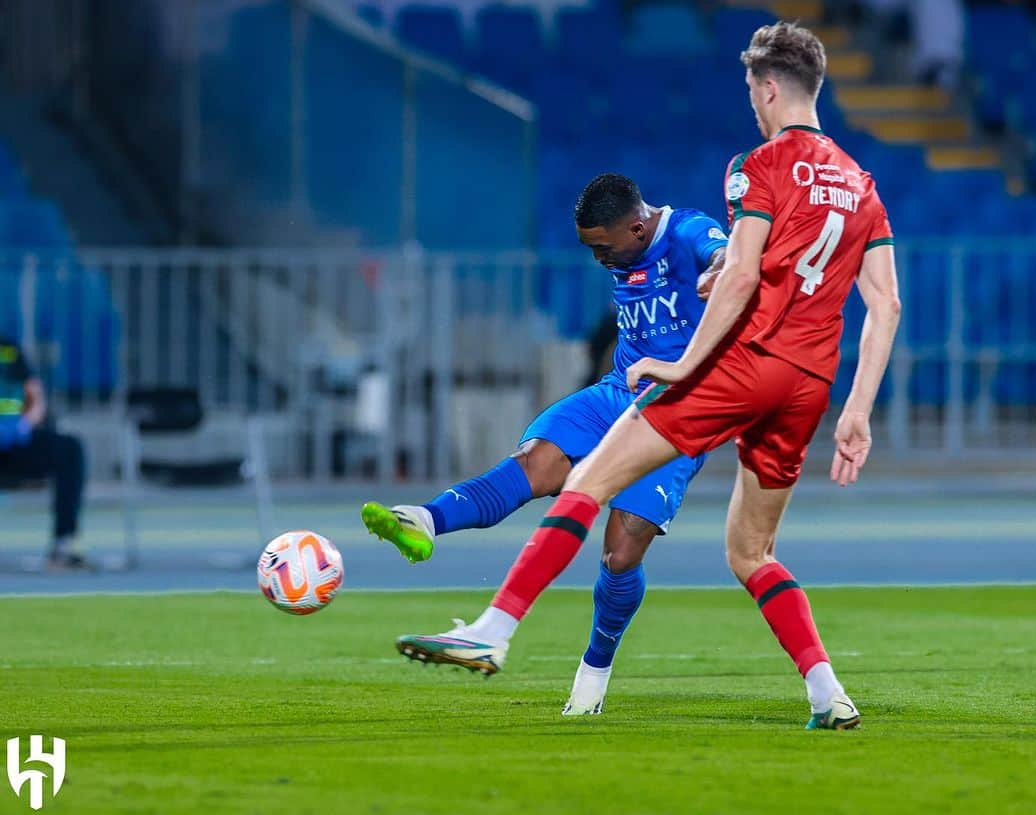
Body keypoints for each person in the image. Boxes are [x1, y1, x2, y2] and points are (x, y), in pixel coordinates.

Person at [395, 21, 901, 730]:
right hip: (809, 387)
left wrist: (685, 363)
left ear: (769, 87)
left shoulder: (756, 166)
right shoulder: (862, 183)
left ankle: (493, 629)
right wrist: (859, 410)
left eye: (753, 93)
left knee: (586, 480)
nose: (753, 105)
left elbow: (744, 273)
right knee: (751, 551)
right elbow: (886, 302)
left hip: (747, 365)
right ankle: (828, 694)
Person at [362, 174, 728, 712]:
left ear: (636, 225)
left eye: (603, 247)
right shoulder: (622, 250)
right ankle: (425, 520)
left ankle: (593, 673)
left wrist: (722, 269)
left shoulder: (690, 230)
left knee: (620, 555)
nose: (599, 259)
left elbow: (721, 251)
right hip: (613, 396)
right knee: (535, 462)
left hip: (675, 414)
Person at [0, 336, 89, 570]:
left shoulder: (7, 348)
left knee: (69, 449)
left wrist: (25, 424)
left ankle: (64, 544)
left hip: (12, 441)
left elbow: (34, 396)